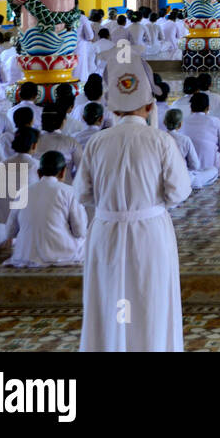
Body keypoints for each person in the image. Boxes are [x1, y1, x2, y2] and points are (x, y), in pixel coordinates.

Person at [77, 55, 191, 351]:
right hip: (149, 232)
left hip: (106, 231)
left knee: (108, 302)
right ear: (151, 105)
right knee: (150, 303)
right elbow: (179, 192)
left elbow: (82, 194)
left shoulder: (97, 142)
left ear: (112, 108)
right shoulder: (161, 140)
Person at [6, 151, 88, 267]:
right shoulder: (70, 192)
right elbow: (80, 231)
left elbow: (10, 231)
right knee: (88, 240)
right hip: (61, 253)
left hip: (25, 254)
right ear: (63, 171)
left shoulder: (23, 192)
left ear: (39, 173)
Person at [185, 92, 220, 174]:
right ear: (208, 108)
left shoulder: (183, 121)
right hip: (212, 167)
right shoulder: (214, 121)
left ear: (190, 107)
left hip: (188, 168)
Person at [0, 124, 39, 225]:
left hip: (1, 220)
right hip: (25, 222)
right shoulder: (37, 166)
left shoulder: (1, 165)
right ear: (34, 145)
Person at [163, 108, 216, 189]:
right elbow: (195, 165)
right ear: (180, 124)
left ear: (164, 122)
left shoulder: (160, 138)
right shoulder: (184, 139)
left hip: (165, 179)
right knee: (213, 170)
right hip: (185, 178)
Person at [35, 111, 81, 181]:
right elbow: (81, 167)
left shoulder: (33, 141)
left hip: (37, 184)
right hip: (65, 183)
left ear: (42, 123)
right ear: (62, 123)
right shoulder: (71, 142)